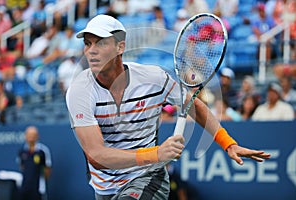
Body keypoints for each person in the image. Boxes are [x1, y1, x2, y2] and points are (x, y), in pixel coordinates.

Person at [65, 14, 270, 200]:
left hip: (147, 177)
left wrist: (228, 143)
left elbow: (194, 106)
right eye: (87, 43)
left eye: (100, 43)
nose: (91, 51)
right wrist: (158, 153)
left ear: (120, 47)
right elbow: (97, 156)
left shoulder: (154, 78)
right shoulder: (79, 91)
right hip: (104, 188)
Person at [17, 126, 52, 200]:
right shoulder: (22, 151)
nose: (31, 137)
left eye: (33, 135)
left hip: (38, 188)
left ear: (37, 136)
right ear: (25, 136)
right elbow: (22, 167)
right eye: (29, 135)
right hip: (24, 187)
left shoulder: (43, 151)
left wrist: (41, 180)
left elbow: (47, 169)